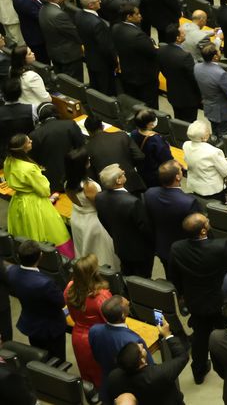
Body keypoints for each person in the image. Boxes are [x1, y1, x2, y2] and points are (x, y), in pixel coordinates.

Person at [170, 206, 227, 383]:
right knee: (224, 335)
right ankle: (223, 368)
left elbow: (174, 275)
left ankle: (198, 372)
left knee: (200, 336)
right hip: (219, 301)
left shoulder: (177, 248)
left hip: (195, 300)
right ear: (204, 230)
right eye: (207, 222)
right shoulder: (220, 247)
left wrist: (182, 294)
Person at [3, 134, 71, 254]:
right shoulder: (29, 168)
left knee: (24, 231)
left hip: (18, 202)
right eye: (29, 142)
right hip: (35, 204)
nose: (31, 141)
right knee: (51, 232)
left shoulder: (8, 161)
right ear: (23, 148)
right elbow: (44, 190)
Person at [106, 319, 189, 405]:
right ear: (142, 360)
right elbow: (182, 357)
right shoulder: (158, 374)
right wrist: (167, 335)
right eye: (141, 349)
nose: (141, 345)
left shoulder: (113, 377)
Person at [64, 254, 114, 385]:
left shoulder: (70, 288)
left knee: (88, 378)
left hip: (78, 338)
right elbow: (111, 321)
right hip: (98, 341)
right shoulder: (102, 296)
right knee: (103, 378)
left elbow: (73, 316)